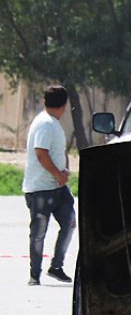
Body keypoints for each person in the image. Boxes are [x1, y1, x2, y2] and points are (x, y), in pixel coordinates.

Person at [23, 85, 75, 286]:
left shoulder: (52, 122)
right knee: (38, 233)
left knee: (70, 223)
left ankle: (56, 266)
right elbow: (41, 153)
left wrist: (62, 173)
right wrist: (57, 174)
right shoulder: (45, 124)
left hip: (58, 189)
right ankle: (34, 275)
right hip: (41, 190)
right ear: (64, 105)